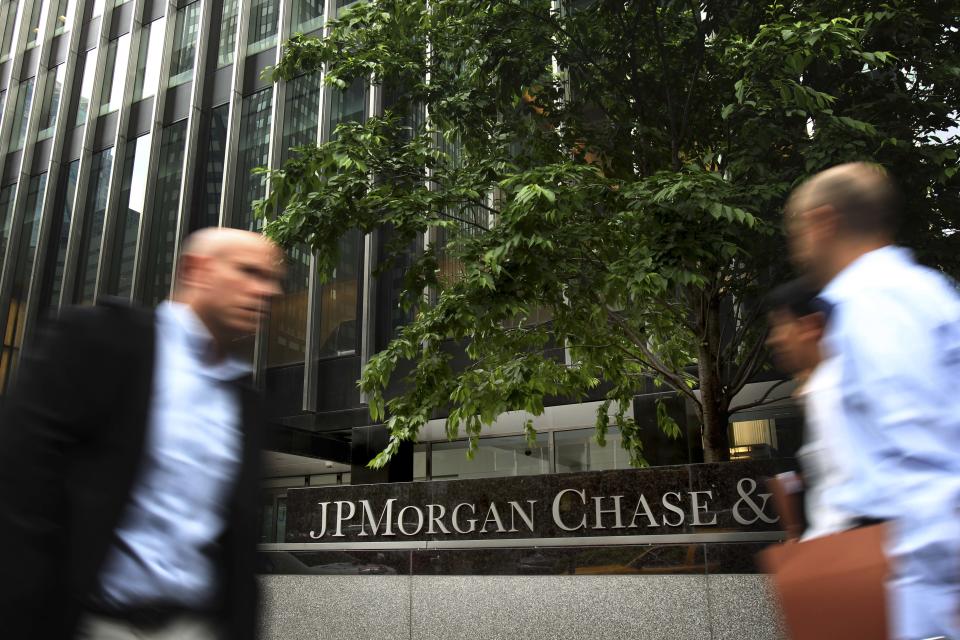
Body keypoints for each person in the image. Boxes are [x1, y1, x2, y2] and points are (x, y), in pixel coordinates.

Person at [0, 228, 285, 640]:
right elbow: (20, 492)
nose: (268, 291)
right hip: (92, 623)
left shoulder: (245, 400)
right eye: (249, 272)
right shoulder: (96, 341)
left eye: (272, 279)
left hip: (195, 628)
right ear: (197, 269)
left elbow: (238, 546)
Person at [785, 162, 960, 639]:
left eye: (796, 230)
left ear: (824, 222)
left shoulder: (873, 304)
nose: (797, 248)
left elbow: (919, 457)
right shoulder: (925, 291)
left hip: (914, 600)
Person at [766, 278, 855, 541]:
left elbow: (844, 497)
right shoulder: (828, 388)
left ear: (811, 326)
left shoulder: (831, 392)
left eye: (780, 325)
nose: (774, 339)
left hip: (845, 552)